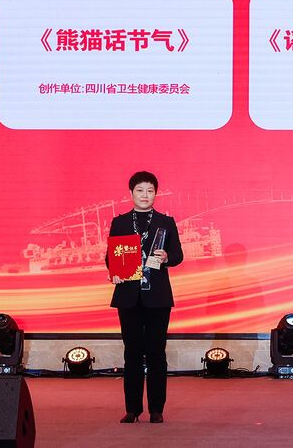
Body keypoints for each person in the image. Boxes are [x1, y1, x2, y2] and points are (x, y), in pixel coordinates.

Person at [106, 171, 184, 424]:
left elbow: (178, 255)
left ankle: (156, 409)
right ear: (131, 193)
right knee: (132, 352)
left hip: (157, 297)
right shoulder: (119, 222)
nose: (145, 195)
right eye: (140, 190)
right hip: (128, 297)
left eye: (150, 191)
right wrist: (114, 272)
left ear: (155, 194)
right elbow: (110, 256)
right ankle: (132, 409)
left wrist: (167, 257)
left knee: (156, 352)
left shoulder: (166, 222)